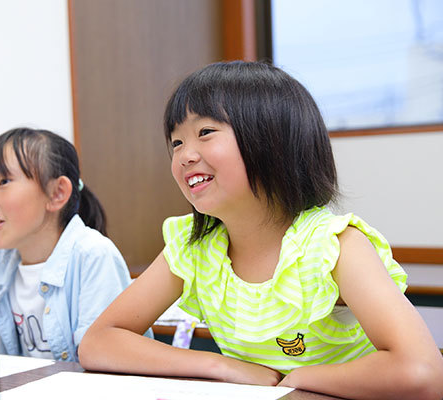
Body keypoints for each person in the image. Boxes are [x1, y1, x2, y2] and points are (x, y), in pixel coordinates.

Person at [78, 61, 443, 399]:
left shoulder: (333, 246)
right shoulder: (195, 248)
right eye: (176, 142)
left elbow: (423, 372)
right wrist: (219, 365)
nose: (185, 155)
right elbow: (99, 342)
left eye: (205, 132)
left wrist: (300, 378)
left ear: (273, 142)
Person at [0, 127, 149, 361]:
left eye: (4, 181)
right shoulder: (3, 259)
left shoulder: (93, 255)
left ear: (57, 193)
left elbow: (105, 358)